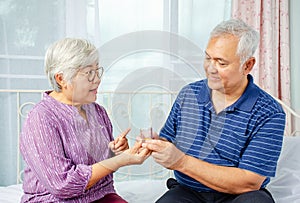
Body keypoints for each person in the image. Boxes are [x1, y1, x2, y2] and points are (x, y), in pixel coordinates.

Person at [143, 19, 286, 203]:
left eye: (221, 63)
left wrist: (182, 162)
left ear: (247, 65)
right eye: (208, 58)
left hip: (240, 195)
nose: (210, 69)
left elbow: (250, 182)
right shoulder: (189, 94)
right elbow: (168, 139)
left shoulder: (269, 112)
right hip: (188, 191)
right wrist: (154, 143)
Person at [19, 38, 150, 202]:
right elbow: (62, 186)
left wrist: (115, 152)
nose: (97, 79)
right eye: (89, 73)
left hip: (99, 194)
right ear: (61, 79)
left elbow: (101, 167)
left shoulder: (98, 112)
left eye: (97, 71)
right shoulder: (41, 118)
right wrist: (118, 161)